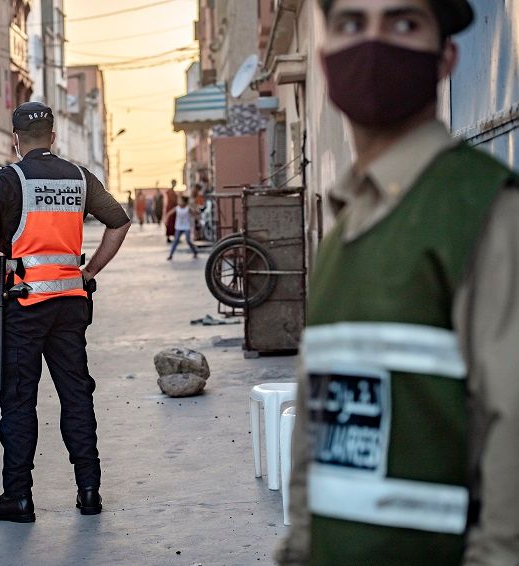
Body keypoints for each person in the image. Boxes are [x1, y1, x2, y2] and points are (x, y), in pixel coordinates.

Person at [276, 1, 519, 564]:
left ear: (446, 58)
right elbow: (321, 422)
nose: (374, 44)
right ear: (326, 56)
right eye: (351, 24)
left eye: (404, 23)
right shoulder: (343, 234)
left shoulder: (484, 211)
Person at [0, 102, 130, 523]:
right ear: (53, 137)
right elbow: (119, 223)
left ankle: (18, 498)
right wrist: (88, 271)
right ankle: (89, 492)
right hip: (71, 305)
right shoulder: (79, 177)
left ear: (16, 139)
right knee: (76, 396)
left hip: (22, 306)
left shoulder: (9, 179)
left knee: (18, 401)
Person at [163, 195, 198, 260]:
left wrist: (195, 213)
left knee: (188, 240)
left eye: (180, 201)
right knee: (175, 241)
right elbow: (169, 214)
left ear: (184, 202)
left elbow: (194, 213)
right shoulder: (177, 208)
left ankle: (195, 252)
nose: (179, 202)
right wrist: (166, 220)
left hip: (186, 226)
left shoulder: (188, 208)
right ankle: (171, 255)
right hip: (178, 227)